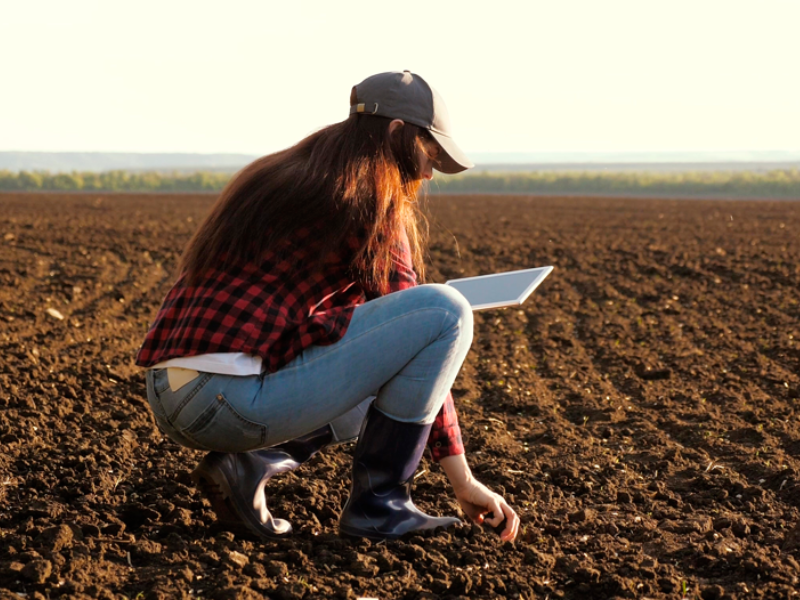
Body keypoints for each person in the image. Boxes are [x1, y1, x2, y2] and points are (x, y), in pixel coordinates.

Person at [135, 71, 520, 542]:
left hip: (171, 392)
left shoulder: (283, 172)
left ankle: (248, 464)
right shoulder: (369, 197)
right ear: (397, 133)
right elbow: (426, 326)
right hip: (224, 401)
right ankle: (380, 507)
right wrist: (462, 480)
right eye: (430, 151)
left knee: (394, 358)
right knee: (447, 310)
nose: (428, 172)